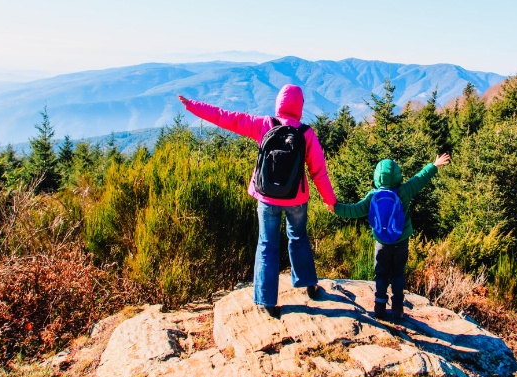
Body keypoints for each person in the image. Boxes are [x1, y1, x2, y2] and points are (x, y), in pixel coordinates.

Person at [177, 85, 336, 319]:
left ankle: (266, 301)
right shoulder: (306, 133)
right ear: (299, 106)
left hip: (267, 197)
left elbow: (225, 118)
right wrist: (329, 200)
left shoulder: (264, 125)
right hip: (296, 199)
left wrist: (192, 106)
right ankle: (309, 286)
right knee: (299, 238)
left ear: (278, 103)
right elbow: (318, 172)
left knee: (266, 245)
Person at [333, 153, 450, 320]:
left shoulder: (372, 196)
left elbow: (354, 210)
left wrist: (335, 207)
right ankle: (397, 309)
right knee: (398, 274)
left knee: (381, 274)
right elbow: (420, 178)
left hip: (381, 243)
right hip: (401, 241)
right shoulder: (404, 191)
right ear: (397, 175)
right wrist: (434, 165)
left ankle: (379, 308)